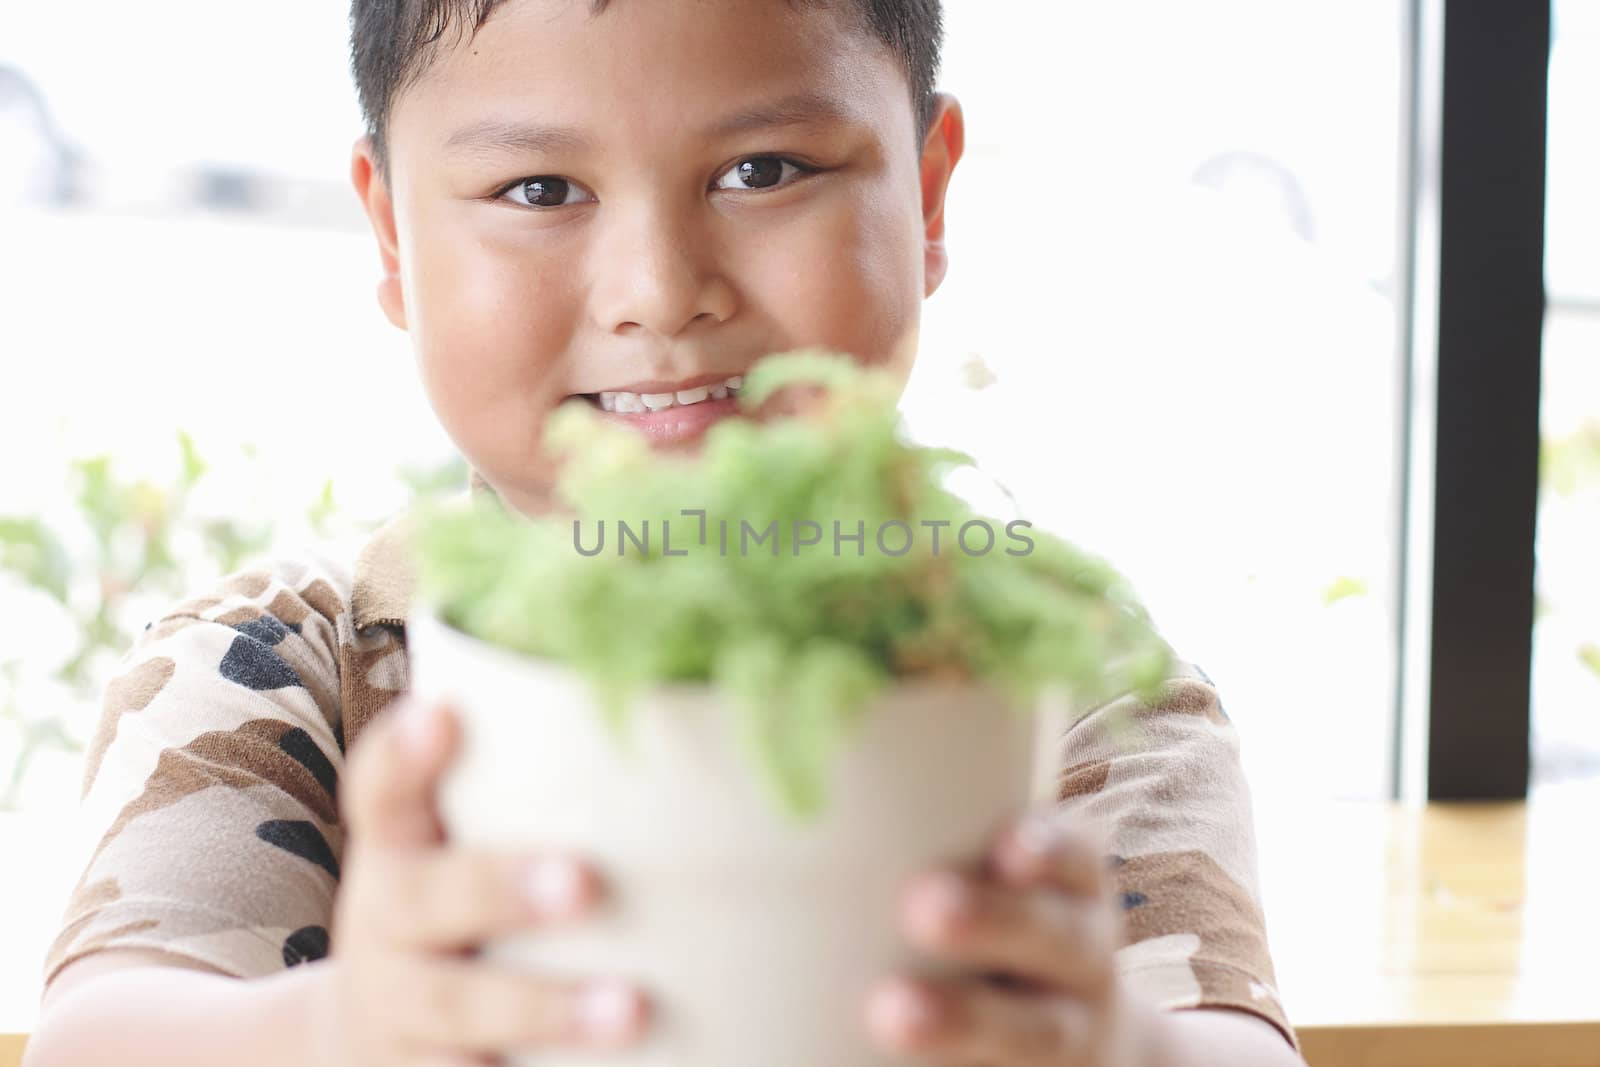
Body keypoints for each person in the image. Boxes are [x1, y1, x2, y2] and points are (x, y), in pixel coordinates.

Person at [23, 2, 1304, 1064]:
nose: (656, 291)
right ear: (394, 235)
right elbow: (104, 1032)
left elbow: (1234, 1045)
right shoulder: (287, 666)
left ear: (924, 194)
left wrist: (1118, 1046)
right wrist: (340, 1028)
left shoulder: (1057, 671)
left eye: (763, 171)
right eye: (538, 187)